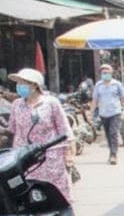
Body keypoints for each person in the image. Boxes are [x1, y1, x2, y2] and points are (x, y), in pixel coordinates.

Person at [6, 68, 76, 200]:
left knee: (56, 194)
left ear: (34, 85)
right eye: (18, 83)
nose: (19, 86)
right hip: (24, 158)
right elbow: (11, 129)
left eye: (22, 83)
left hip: (50, 157)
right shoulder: (17, 105)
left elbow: (64, 129)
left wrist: (69, 153)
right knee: (29, 195)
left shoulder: (51, 103)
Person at [90, 62, 124, 165]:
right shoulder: (98, 85)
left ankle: (114, 155)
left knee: (113, 133)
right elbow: (94, 100)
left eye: (107, 72)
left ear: (111, 73)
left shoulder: (117, 84)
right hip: (103, 114)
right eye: (103, 72)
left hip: (115, 112)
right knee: (107, 135)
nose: (105, 74)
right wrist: (91, 114)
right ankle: (111, 152)